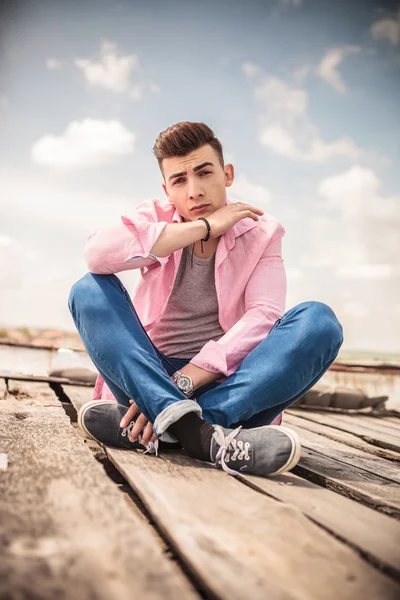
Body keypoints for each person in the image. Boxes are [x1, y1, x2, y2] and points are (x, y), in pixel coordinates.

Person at [68, 121, 344, 478]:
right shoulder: (157, 220)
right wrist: (205, 227)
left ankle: (169, 428)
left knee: (319, 323)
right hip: (147, 379)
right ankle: (203, 438)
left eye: (204, 172)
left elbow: (264, 314)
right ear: (167, 190)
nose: (194, 190)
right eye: (180, 181)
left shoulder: (262, 231)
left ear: (227, 174)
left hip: (226, 387)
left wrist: (185, 382)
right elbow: (97, 254)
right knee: (88, 289)